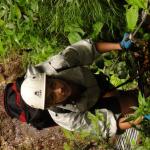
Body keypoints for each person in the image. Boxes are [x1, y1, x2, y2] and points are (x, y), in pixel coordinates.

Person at [20, 33, 150, 138]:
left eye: (52, 84)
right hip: (93, 106)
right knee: (134, 103)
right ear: (50, 105)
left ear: (50, 76)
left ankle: (137, 93)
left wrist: (119, 45)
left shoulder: (59, 64)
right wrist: (140, 116)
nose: (59, 89)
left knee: (133, 94)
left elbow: (89, 49)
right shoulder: (65, 117)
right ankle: (135, 99)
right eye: (53, 96)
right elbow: (108, 126)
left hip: (93, 82)